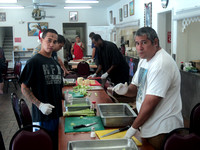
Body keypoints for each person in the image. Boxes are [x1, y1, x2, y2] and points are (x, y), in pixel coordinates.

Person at [113, 27, 184, 150]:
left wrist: (133, 128)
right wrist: (125, 90)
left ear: (155, 42)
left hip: (162, 129)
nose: (139, 47)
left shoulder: (161, 64)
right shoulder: (144, 60)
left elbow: (151, 102)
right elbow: (135, 88)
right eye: (137, 43)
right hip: (148, 125)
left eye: (144, 42)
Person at [19, 29, 63, 150]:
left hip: (56, 114)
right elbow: (24, 88)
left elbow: (56, 86)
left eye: (54, 41)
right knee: (43, 146)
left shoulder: (55, 63)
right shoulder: (33, 62)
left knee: (55, 145)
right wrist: (40, 105)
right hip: (42, 117)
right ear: (41, 40)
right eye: (49, 40)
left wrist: (64, 97)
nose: (52, 44)